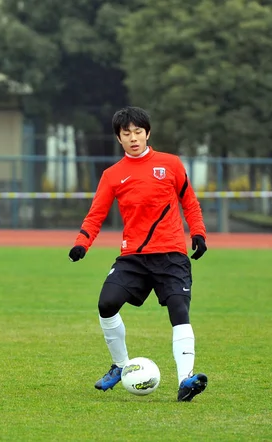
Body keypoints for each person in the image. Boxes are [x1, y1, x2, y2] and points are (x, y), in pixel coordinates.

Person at [68, 106, 209, 402]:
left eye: (138, 132)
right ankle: (120, 365)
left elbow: (190, 202)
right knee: (106, 305)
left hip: (171, 255)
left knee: (179, 311)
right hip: (133, 257)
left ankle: (185, 380)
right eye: (126, 133)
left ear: (147, 133)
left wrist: (198, 232)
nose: (133, 138)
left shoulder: (170, 164)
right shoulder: (112, 175)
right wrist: (82, 242)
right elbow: (96, 214)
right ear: (119, 138)